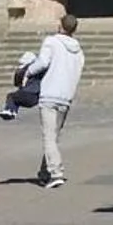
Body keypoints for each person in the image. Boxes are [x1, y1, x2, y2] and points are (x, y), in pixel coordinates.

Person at [21, 13, 85, 188]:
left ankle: (56, 172)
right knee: (53, 137)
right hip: (65, 97)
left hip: (49, 94)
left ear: (61, 26)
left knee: (49, 137)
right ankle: (45, 172)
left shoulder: (51, 42)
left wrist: (27, 72)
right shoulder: (78, 50)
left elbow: (42, 62)